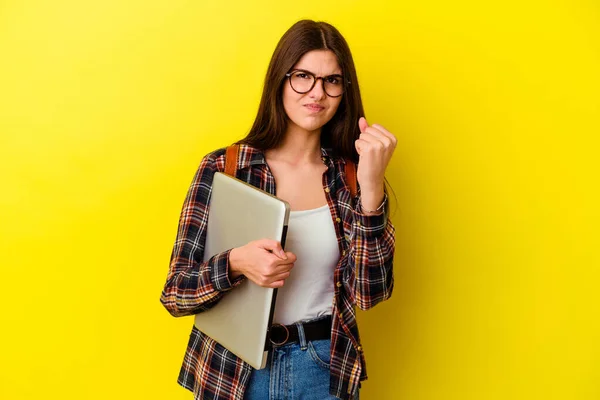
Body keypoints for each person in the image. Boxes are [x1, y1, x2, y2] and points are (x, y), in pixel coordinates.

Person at [160, 19, 397, 400]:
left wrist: (371, 189)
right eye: (302, 76)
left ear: (344, 91)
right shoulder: (227, 169)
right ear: (280, 80)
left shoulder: (349, 177)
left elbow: (371, 293)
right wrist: (236, 262)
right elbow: (175, 293)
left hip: (322, 368)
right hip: (234, 372)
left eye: (331, 81)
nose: (316, 93)